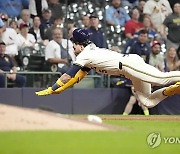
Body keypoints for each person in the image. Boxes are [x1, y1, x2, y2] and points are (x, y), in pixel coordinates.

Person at [36, 28, 180, 109]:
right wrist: (60, 89)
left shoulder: (85, 54)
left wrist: (52, 88)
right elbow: (75, 78)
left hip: (129, 65)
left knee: (161, 79)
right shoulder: (87, 55)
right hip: (129, 70)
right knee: (148, 102)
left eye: (74, 44)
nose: (73, 47)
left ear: (81, 44)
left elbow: (67, 76)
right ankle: (174, 89)